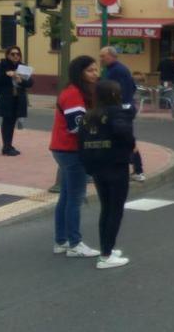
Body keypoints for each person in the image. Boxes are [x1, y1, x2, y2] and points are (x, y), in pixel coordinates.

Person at [51, 55, 101, 258]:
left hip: (62, 149)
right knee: (75, 198)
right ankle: (75, 243)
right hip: (71, 151)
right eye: (90, 70)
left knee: (65, 196)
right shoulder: (73, 94)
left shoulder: (75, 92)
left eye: (96, 69)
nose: (95, 74)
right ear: (79, 72)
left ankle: (61, 241)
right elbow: (76, 126)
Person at [80, 80, 134, 269]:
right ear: (114, 95)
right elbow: (125, 134)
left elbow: (81, 141)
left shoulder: (89, 115)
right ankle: (106, 255)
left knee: (106, 208)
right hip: (116, 165)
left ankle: (107, 248)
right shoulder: (117, 113)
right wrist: (130, 149)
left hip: (97, 167)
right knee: (115, 210)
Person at [99, 47, 145, 182]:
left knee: (126, 139)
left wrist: (119, 108)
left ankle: (138, 170)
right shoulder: (115, 69)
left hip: (121, 110)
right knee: (122, 139)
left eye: (103, 56)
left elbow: (122, 92)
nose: (101, 59)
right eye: (100, 56)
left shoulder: (117, 71)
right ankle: (133, 169)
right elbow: (133, 87)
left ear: (112, 56)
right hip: (123, 108)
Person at [0, 46, 33, 156]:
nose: (16, 56)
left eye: (18, 54)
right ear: (7, 55)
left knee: (13, 122)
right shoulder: (1, 66)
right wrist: (7, 75)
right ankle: (6, 147)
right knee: (7, 122)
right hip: (6, 98)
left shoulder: (23, 67)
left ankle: (8, 145)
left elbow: (30, 83)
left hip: (19, 99)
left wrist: (21, 81)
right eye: (13, 54)